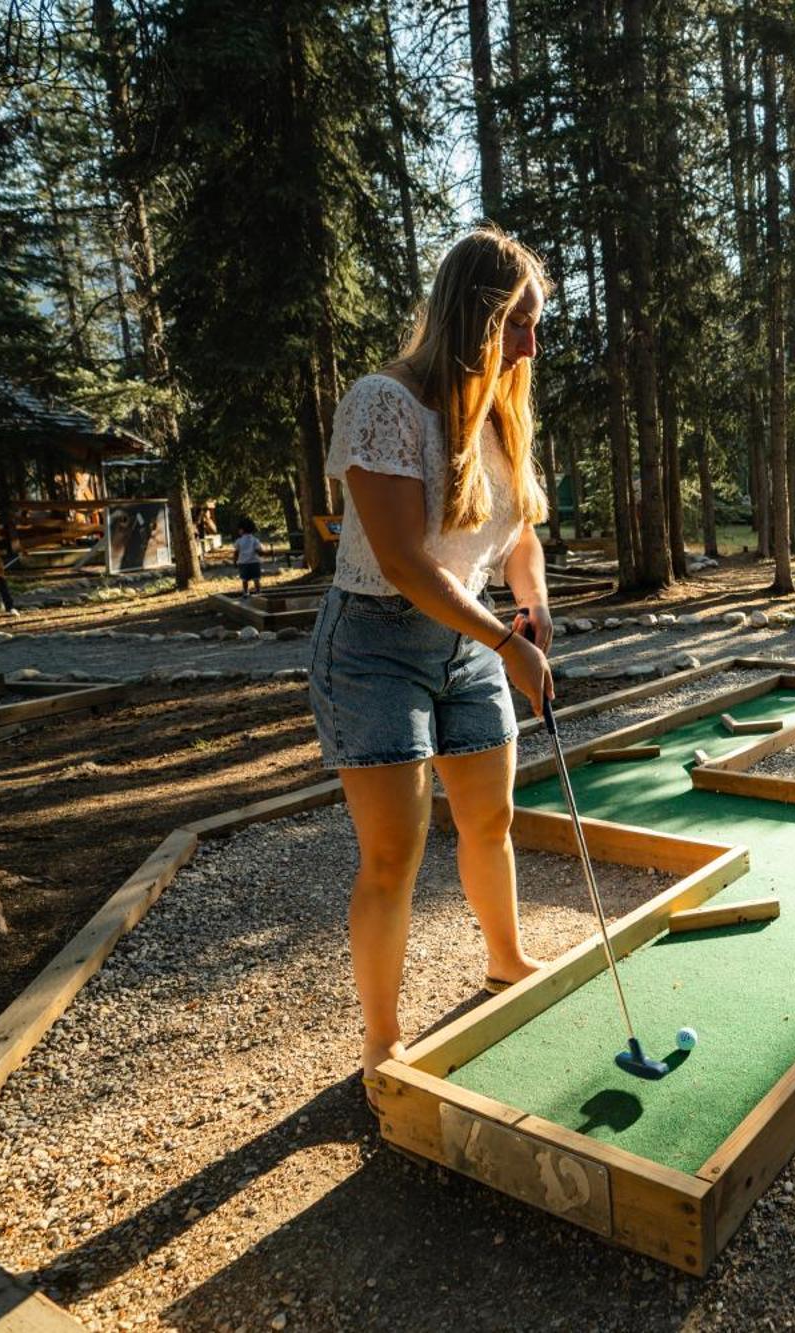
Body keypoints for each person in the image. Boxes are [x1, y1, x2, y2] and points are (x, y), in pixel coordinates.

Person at [308, 228, 558, 1093]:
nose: (531, 342)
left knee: (490, 820)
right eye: (519, 323)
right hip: (376, 644)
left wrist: (532, 604)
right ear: (475, 317)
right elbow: (408, 563)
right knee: (394, 854)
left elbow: (518, 530)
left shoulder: (501, 408)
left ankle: (507, 961)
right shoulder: (382, 403)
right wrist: (505, 643)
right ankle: (383, 1039)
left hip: (471, 636)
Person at [232, 520, 265, 598]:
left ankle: (246, 592)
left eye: (239, 529)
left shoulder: (238, 541)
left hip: (243, 563)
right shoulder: (255, 540)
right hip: (254, 562)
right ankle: (258, 592)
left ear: (242, 530)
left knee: (244, 579)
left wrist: (234, 562)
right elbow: (259, 552)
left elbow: (236, 553)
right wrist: (264, 553)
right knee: (256, 579)